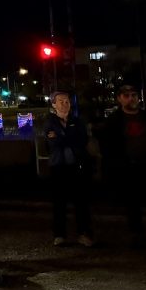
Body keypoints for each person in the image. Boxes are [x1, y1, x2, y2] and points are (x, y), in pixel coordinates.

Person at [96, 83, 146, 247]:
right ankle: (137, 234)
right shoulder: (114, 122)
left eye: (134, 95)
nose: (131, 99)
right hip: (128, 167)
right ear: (120, 99)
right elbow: (106, 146)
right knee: (132, 203)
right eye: (127, 95)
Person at [44, 91, 95, 247]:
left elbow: (82, 140)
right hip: (58, 167)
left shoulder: (77, 121)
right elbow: (52, 142)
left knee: (81, 202)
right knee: (59, 203)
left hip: (77, 166)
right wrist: (68, 138)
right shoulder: (49, 122)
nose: (65, 104)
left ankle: (83, 233)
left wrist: (61, 137)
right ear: (53, 104)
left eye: (67, 101)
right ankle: (59, 235)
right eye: (61, 101)